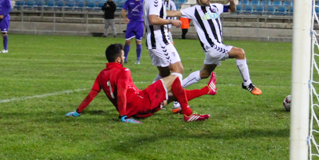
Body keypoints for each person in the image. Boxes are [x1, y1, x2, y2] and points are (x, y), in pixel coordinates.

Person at [64, 43, 213, 123]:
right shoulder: (124, 71)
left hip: (140, 110)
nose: (124, 57)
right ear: (118, 59)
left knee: (173, 95)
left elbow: (91, 95)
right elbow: (121, 94)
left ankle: (208, 90)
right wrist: (123, 116)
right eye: (123, 55)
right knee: (175, 77)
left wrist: (78, 111)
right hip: (142, 103)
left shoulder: (102, 75)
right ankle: (188, 113)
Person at [168, 0, 262, 101]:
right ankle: (247, 83)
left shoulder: (215, 7)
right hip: (213, 47)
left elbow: (232, 9)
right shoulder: (193, 10)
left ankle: (177, 89)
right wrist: (155, 12)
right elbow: (173, 12)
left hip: (214, 49)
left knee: (204, 74)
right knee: (240, 53)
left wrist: (232, 1)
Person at [144, 0, 184, 90]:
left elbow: (157, 16)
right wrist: (172, 21)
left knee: (165, 73)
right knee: (178, 69)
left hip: (155, 39)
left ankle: (145, 98)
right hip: (159, 40)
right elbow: (153, 19)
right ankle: (178, 103)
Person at [122, 0, 144, 64]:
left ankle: (138, 59)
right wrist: (125, 18)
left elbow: (148, 10)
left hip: (139, 24)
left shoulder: (143, 1)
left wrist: (145, 15)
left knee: (138, 42)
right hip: (131, 23)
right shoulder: (129, 1)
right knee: (127, 41)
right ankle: (125, 58)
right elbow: (123, 11)